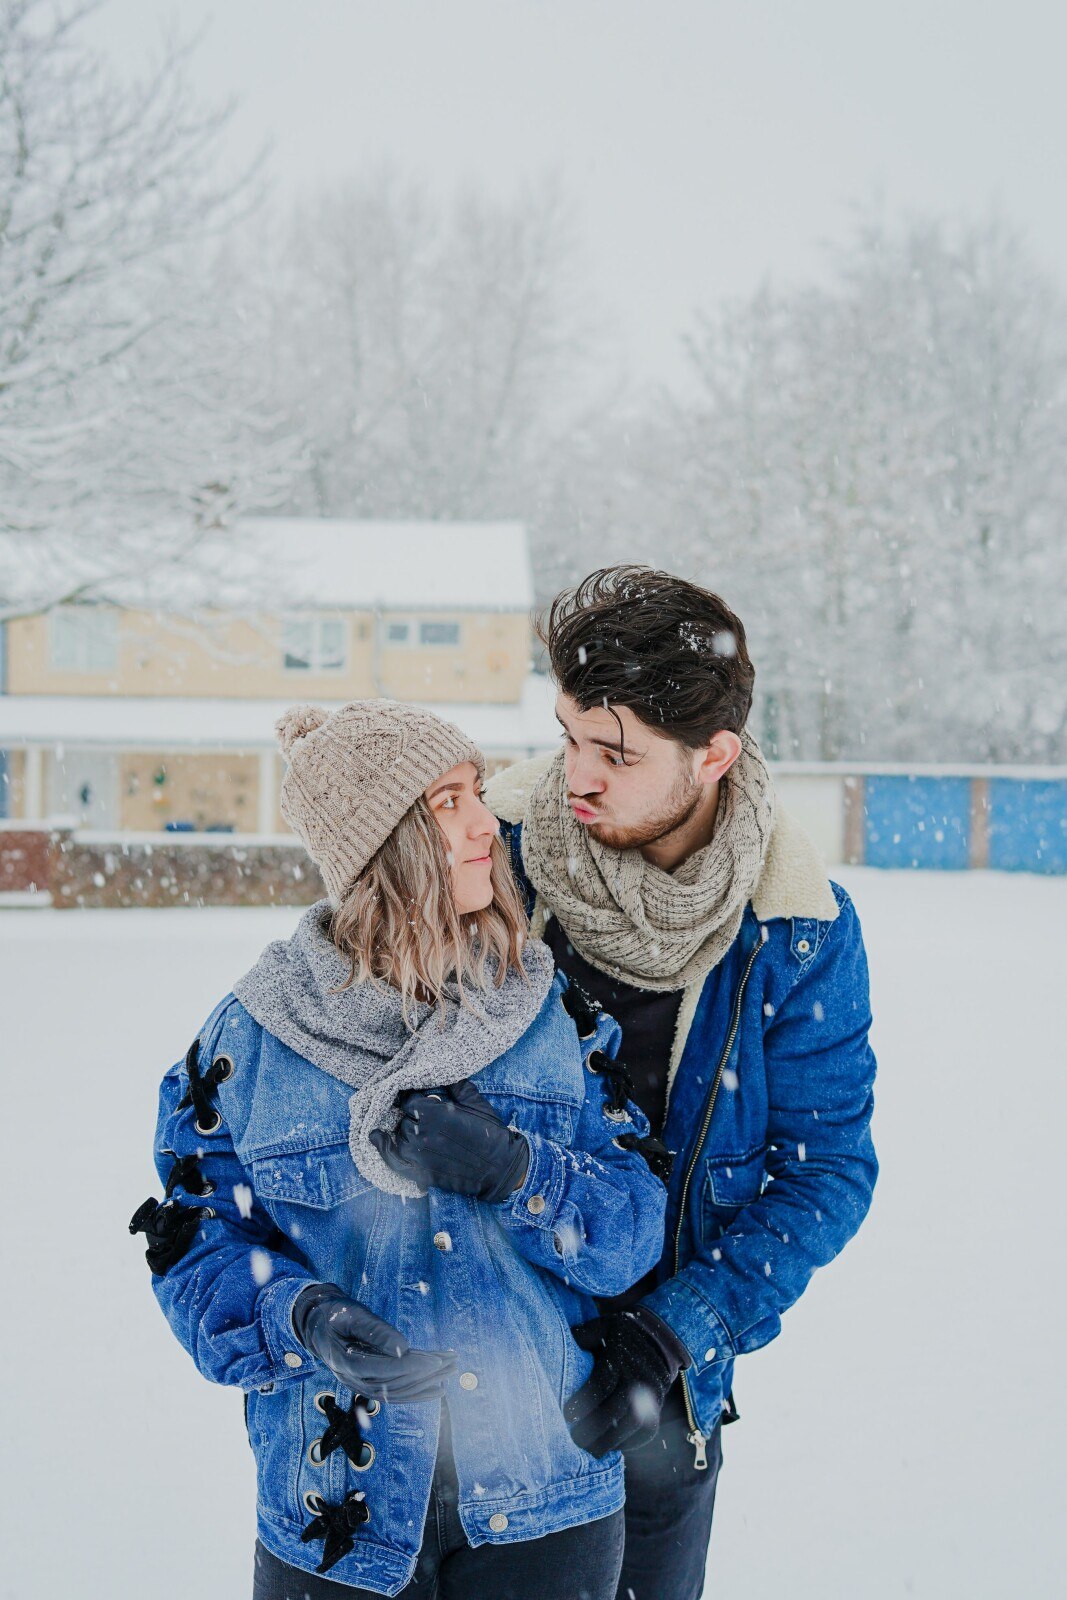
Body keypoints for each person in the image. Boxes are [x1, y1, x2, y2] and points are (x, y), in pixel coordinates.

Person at [129, 700, 669, 1599]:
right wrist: (297, 1316)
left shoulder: (549, 1021)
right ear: (380, 847)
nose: (480, 826)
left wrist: (516, 1171)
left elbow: (630, 1237)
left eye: (474, 794)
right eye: (445, 803)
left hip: (545, 1501)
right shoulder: (249, 1044)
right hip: (335, 1508)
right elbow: (188, 1237)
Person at [484, 567, 880, 1600]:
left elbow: (824, 1173)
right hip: (481, 1380)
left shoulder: (797, 933)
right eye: (568, 736)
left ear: (713, 756)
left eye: (614, 753)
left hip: (660, 1400)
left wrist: (675, 1331)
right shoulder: (494, 856)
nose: (575, 774)